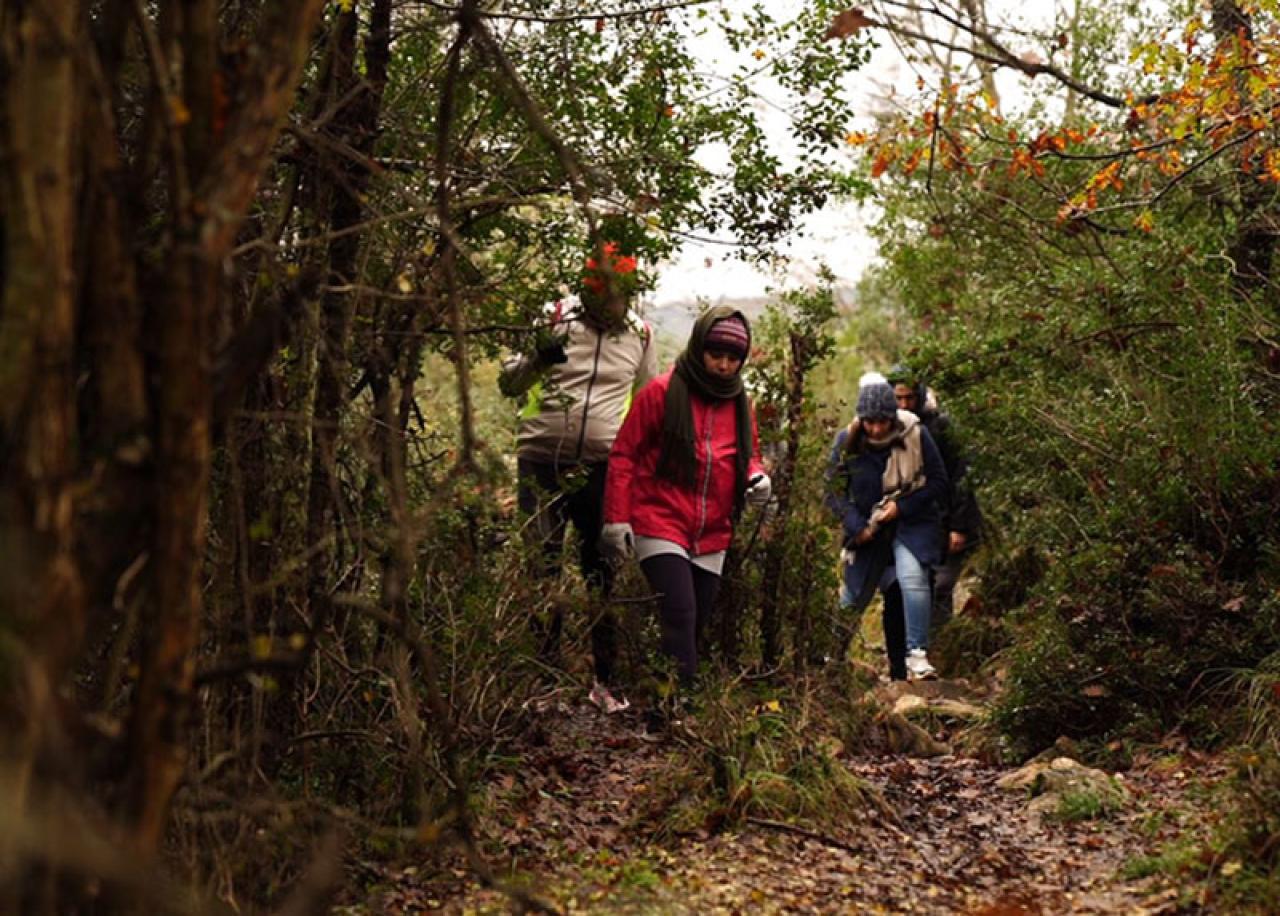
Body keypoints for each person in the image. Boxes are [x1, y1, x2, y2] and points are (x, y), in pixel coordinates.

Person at [499, 240, 657, 714]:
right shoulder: (555, 318)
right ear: (586, 290)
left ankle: (604, 682)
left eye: (617, 296)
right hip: (540, 460)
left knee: (601, 572)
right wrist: (538, 359)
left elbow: (647, 403)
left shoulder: (640, 335)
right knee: (541, 567)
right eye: (599, 294)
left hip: (601, 468)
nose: (608, 305)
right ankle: (544, 680)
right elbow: (510, 382)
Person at [600, 307, 771, 711]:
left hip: (712, 529)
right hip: (659, 519)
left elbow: (749, 456)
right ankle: (686, 713)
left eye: (733, 359)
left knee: (693, 625)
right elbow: (624, 455)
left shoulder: (740, 405)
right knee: (679, 611)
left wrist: (758, 475)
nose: (724, 365)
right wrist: (616, 518)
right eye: (717, 355)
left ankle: (662, 701)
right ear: (699, 348)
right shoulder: (661, 392)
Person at [826, 376, 948, 680]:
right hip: (868, 527)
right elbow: (832, 490)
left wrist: (902, 507)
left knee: (911, 579)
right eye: (870, 422)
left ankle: (916, 654)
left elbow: (938, 482)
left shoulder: (915, 434)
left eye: (882, 421)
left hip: (911, 524)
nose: (877, 429)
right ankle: (829, 658)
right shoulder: (848, 441)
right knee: (853, 597)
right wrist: (856, 527)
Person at [886, 364, 983, 636]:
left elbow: (961, 477)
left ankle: (938, 646)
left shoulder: (941, 427)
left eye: (909, 398)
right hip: (913, 524)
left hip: (948, 521)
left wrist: (959, 526)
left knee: (941, 585)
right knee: (912, 586)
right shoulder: (887, 429)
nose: (904, 404)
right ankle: (915, 648)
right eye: (898, 398)